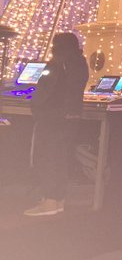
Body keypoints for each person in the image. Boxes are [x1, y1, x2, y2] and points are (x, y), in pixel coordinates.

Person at [25, 32, 89, 217]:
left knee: (47, 157)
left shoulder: (58, 62)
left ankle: (49, 201)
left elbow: (46, 90)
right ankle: (58, 199)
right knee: (61, 158)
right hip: (71, 117)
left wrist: (36, 107)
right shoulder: (80, 62)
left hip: (52, 118)